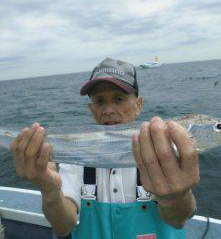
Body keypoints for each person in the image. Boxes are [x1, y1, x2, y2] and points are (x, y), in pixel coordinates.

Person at [10, 58, 199, 238]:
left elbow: (177, 220)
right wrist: (49, 189)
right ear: (91, 109)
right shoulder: (77, 155)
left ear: (138, 105)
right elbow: (63, 226)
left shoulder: (161, 149)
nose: (108, 110)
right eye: (100, 101)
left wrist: (176, 197)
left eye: (119, 99)